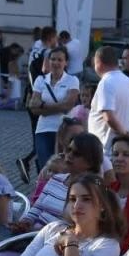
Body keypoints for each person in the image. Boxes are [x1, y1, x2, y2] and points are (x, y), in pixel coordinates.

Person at [18, 133, 103, 237]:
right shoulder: (56, 178)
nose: (69, 155)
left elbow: (76, 226)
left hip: (55, 241)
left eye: (76, 154)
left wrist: (39, 232)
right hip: (31, 235)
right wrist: (25, 222)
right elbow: (37, 208)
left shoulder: (91, 191)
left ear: (91, 162)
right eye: (68, 150)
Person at [28, 46, 79, 183]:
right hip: (43, 129)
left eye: (60, 60)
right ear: (48, 61)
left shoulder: (72, 80)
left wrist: (43, 106)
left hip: (64, 131)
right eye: (53, 59)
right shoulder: (40, 80)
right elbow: (33, 108)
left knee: (63, 168)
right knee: (47, 167)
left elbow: (68, 106)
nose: (56, 63)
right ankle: (42, 197)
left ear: (66, 62)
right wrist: (59, 107)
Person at [90, 48, 129, 156]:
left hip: (106, 149)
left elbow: (108, 116)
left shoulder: (106, 82)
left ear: (98, 63)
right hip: (121, 148)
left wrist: (125, 136)